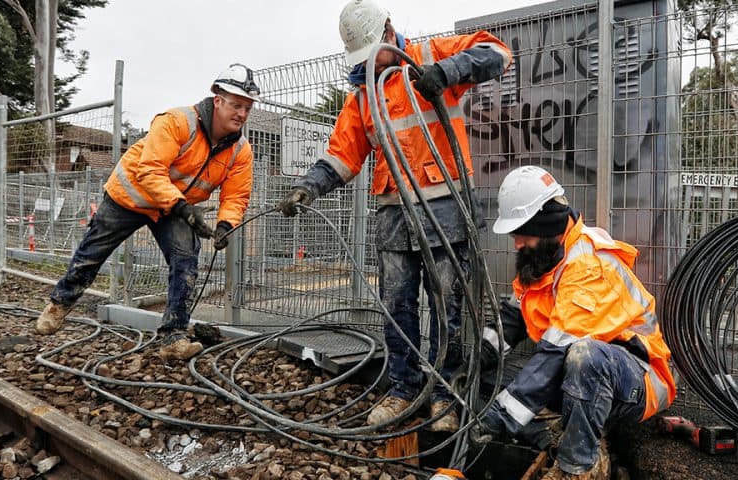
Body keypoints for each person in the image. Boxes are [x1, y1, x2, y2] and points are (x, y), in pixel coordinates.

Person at [277, 0, 512, 432]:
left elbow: (498, 52)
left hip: (446, 209)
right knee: (396, 305)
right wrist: (307, 187)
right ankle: (403, 387)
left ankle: (445, 394)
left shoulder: (429, 58)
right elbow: (341, 155)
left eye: (372, 52)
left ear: (388, 31)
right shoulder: (363, 96)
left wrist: (452, 71)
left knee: (448, 307)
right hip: (394, 215)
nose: (368, 63)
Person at [34, 64, 259, 361]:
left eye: (247, 107)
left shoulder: (240, 151)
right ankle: (59, 304)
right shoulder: (177, 122)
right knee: (92, 253)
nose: (241, 114)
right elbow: (150, 171)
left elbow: (236, 195)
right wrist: (183, 208)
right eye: (236, 105)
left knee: (186, 260)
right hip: (129, 198)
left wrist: (225, 225)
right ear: (218, 100)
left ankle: (173, 336)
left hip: (172, 209)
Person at [478, 165, 676, 479]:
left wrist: (500, 417)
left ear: (545, 225)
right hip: (579, 372)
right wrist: (479, 358)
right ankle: (553, 436)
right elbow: (513, 318)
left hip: (636, 377)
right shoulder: (545, 257)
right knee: (487, 383)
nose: (516, 243)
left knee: (584, 357)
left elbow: (557, 352)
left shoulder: (587, 267)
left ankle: (579, 466)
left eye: (521, 233)